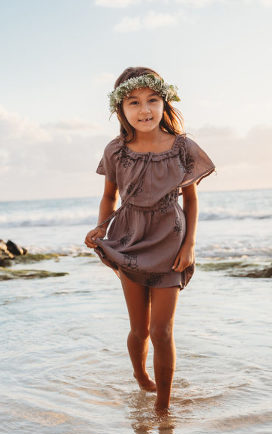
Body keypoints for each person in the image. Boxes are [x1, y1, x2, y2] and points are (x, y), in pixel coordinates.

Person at [84, 66, 215, 413]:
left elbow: (191, 199)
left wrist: (190, 246)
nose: (144, 110)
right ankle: (141, 376)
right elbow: (109, 195)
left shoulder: (183, 147)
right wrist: (100, 226)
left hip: (170, 242)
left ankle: (163, 407)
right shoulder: (116, 151)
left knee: (162, 331)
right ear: (120, 110)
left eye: (152, 100)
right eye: (134, 102)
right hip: (128, 239)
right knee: (139, 330)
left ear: (164, 102)